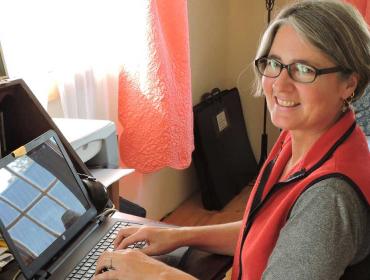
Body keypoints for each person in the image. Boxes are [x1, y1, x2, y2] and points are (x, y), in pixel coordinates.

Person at [94, 1, 370, 279]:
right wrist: (178, 236)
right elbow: (268, 230)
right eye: (274, 63)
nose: (280, 84)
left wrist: (154, 274)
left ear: (349, 84)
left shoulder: (328, 199)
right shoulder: (304, 137)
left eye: (304, 69)